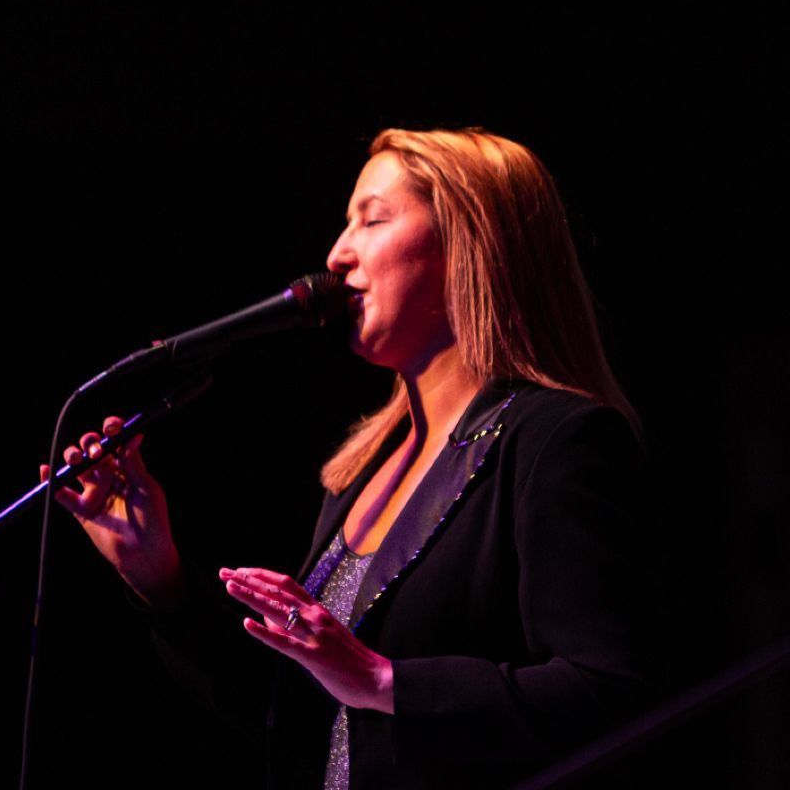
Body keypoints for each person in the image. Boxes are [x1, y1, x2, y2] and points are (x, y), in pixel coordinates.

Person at [42, 128, 663, 788]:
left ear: (468, 244)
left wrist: (384, 680)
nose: (337, 255)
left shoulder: (556, 441)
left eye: (372, 220)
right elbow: (298, 717)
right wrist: (158, 574)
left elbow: (609, 690)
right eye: (346, 225)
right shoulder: (364, 472)